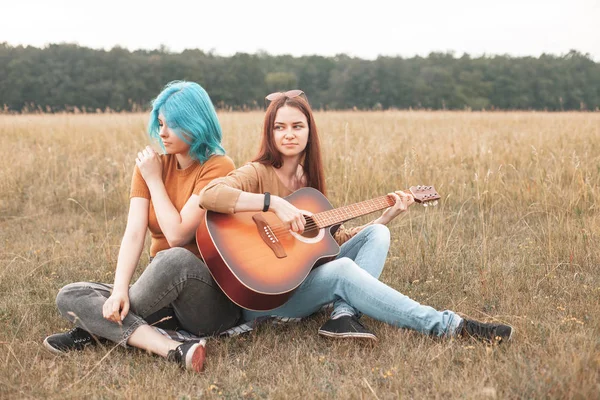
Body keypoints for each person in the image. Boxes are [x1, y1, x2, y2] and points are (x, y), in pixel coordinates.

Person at [198, 90, 513, 344]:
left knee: (378, 235)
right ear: (269, 133)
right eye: (279, 127)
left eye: (297, 126)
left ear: (310, 132)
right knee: (344, 271)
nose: (289, 134)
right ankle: (449, 326)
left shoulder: (310, 187)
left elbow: (330, 244)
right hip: (265, 296)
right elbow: (209, 194)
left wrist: (387, 214)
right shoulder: (256, 173)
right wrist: (273, 204)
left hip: (300, 282)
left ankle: (342, 315)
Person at [43, 81, 241, 373]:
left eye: (172, 125)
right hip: (160, 289)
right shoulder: (150, 164)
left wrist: (155, 180)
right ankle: (173, 349)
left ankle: (91, 331)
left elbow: (177, 235)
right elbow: (134, 233)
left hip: (207, 298)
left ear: (196, 123)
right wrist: (120, 290)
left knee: (174, 258)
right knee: (70, 294)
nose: (162, 133)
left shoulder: (218, 167)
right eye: (160, 123)